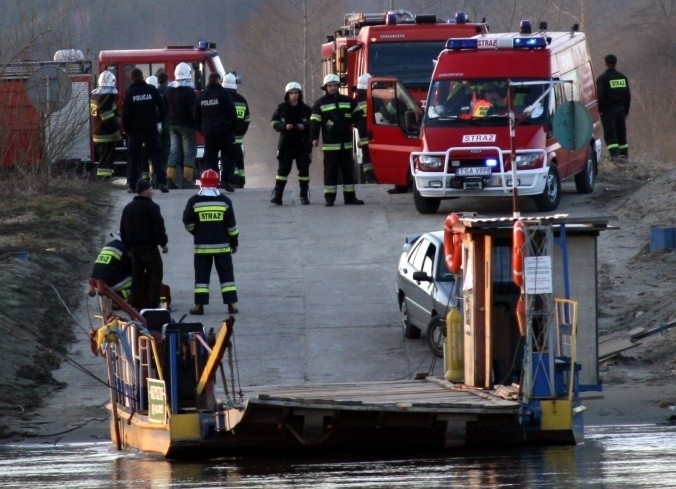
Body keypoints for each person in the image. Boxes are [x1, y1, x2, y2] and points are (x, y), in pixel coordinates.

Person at [182, 169, 239, 315]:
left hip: (202, 248)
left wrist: (197, 232)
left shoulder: (194, 201)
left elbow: (187, 222)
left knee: (201, 278)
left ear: (201, 183)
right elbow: (231, 227)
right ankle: (231, 304)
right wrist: (234, 243)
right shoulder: (225, 201)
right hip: (222, 247)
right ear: (217, 183)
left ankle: (199, 306)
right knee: (227, 277)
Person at [310, 74, 364, 206]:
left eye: (335, 85)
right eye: (330, 86)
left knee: (348, 172)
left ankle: (350, 197)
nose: (333, 88)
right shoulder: (320, 103)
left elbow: (358, 111)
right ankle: (330, 198)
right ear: (326, 87)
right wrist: (314, 138)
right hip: (330, 146)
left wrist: (350, 120)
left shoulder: (347, 100)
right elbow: (314, 122)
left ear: (338, 86)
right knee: (330, 173)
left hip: (346, 144)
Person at [119, 179, 169, 310]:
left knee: (137, 276)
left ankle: (135, 304)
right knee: (156, 274)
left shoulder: (128, 208)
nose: (152, 193)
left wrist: (127, 247)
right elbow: (158, 228)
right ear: (146, 191)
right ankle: (153, 304)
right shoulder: (151, 207)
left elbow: (122, 229)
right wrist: (163, 244)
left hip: (134, 249)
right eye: (151, 190)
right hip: (149, 248)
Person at [122, 68, 167, 193]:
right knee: (156, 156)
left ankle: (133, 185)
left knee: (134, 158)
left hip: (135, 131)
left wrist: (127, 130)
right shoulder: (151, 90)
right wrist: (160, 122)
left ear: (132, 78)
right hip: (151, 129)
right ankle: (162, 183)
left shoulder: (130, 93)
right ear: (142, 76)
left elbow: (126, 114)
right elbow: (162, 108)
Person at [270, 81, 313, 205]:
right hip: (286, 144)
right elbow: (273, 122)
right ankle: (278, 196)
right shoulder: (281, 108)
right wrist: (284, 126)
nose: (294, 95)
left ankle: (304, 196)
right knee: (282, 171)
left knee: (304, 171)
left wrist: (304, 126)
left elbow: (314, 123)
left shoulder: (306, 109)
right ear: (287, 95)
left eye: (296, 93)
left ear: (300, 94)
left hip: (303, 144)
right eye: (291, 93)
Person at [194, 72, 237, 193]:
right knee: (229, 155)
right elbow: (232, 114)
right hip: (225, 132)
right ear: (218, 80)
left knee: (210, 158)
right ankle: (225, 180)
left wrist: (203, 130)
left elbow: (196, 116)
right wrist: (232, 128)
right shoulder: (225, 94)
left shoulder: (202, 97)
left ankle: (215, 180)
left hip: (209, 133)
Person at [165, 62, 198, 189]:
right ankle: (187, 180)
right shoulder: (189, 92)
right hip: (187, 126)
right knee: (189, 153)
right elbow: (194, 110)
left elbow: (165, 108)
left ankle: (170, 179)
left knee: (174, 152)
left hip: (173, 125)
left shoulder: (169, 91)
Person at [596, 54, 631, 161]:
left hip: (608, 110)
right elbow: (627, 96)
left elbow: (600, 96)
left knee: (610, 134)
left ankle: (615, 158)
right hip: (621, 109)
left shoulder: (602, 78)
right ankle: (624, 158)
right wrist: (626, 111)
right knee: (621, 133)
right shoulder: (622, 77)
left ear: (605, 63)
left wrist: (600, 110)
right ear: (615, 63)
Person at [90, 71, 122, 181]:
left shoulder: (95, 94)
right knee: (106, 158)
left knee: (103, 157)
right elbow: (107, 117)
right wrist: (116, 131)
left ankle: (104, 178)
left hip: (97, 131)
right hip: (106, 133)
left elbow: (110, 111)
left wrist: (118, 115)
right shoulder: (106, 96)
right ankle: (103, 179)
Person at [222, 72, 251, 188]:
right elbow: (247, 119)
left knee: (227, 158)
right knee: (239, 158)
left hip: (226, 137)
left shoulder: (222, 100)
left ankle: (231, 180)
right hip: (238, 137)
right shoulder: (242, 100)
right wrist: (242, 132)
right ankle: (241, 180)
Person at [91, 232, 132, 301]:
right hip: (109, 282)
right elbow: (133, 269)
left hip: (96, 280)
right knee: (139, 282)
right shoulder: (126, 248)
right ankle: (118, 299)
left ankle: (110, 296)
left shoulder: (110, 244)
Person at [353, 73, 375, 184]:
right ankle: (374, 177)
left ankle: (369, 178)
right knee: (374, 155)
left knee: (366, 156)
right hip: (375, 134)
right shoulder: (374, 98)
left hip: (363, 136)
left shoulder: (355, 101)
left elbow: (352, 119)